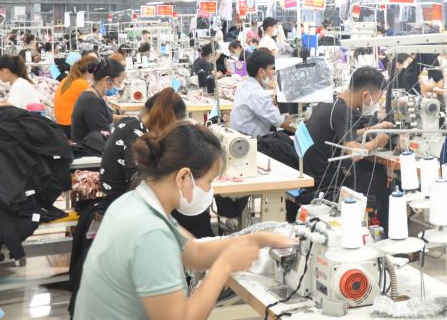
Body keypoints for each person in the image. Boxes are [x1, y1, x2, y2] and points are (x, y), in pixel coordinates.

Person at [73, 122, 294, 320]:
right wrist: (223, 267)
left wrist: (258, 239)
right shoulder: (150, 233)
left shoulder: (136, 202)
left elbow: (193, 253)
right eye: (208, 181)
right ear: (183, 177)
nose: (209, 190)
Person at [302, 67, 394, 229]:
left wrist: (373, 128)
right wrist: (377, 142)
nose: (376, 104)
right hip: (325, 185)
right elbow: (355, 154)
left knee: (372, 173)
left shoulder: (331, 102)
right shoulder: (342, 111)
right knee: (383, 184)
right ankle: (386, 236)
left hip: (310, 176)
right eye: (377, 99)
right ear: (365, 95)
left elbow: (343, 135)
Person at [100, 88, 187, 207]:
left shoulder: (131, 123)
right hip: (122, 202)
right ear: (167, 118)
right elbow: (135, 177)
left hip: (119, 199)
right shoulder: (136, 131)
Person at [70, 58, 126, 148]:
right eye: (119, 82)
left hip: (92, 145)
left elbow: (108, 116)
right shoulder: (90, 101)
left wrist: (126, 118)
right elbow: (105, 136)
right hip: (89, 152)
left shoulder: (94, 95)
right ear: (107, 80)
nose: (120, 86)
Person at [229, 50, 286, 137]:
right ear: (261, 71)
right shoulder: (257, 94)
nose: (273, 72)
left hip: (241, 138)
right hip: (254, 144)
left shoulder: (244, 86)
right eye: (271, 68)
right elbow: (279, 121)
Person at [54, 57, 98, 138]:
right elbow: (96, 103)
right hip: (70, 127)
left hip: (61, 125)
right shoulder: (83, 84)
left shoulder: (66, 80)